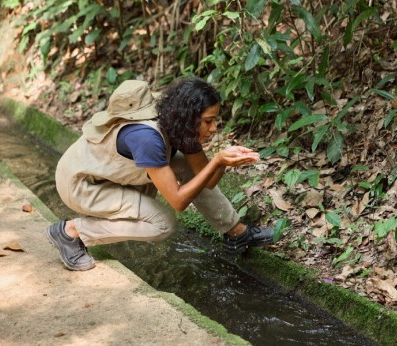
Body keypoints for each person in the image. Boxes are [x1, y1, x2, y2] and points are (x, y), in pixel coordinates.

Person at [45, 78, 274, 271]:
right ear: (190, 118)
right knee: (163, 224)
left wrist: (223, 162)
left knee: (187, 168)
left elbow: (209, 180)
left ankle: (236, 233)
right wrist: (217, 159)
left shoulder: (178, 120)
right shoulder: (146, 138)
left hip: (113, 177)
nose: (214, 128)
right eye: (208, 121)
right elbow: (178, 201)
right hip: (81, 185)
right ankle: (71, 232)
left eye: (214, 120)